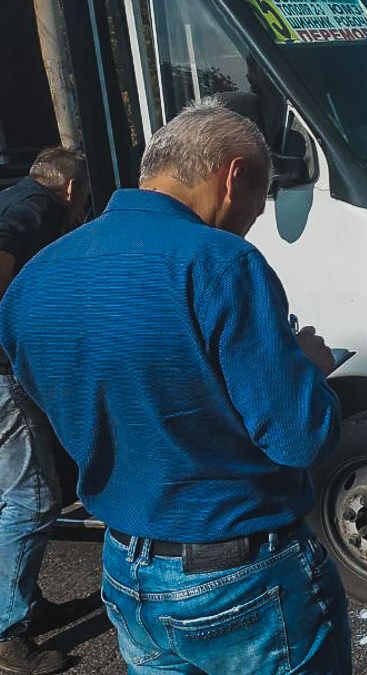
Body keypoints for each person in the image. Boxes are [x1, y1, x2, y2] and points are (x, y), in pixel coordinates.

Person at [0, 99, 352, 673]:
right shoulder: (220, 261)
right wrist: (307, 368)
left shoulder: (32, 281)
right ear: (234, 176)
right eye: (257, 204)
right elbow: (300, 439)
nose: (251, 221)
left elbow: (60, 398)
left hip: (125, 569)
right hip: (242, 570)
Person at [0, 148, 89, 674]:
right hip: (1, 376)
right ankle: (7, 633)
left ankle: (25, 603)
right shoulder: (36, 208)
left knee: (18, 490)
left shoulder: (16, 195)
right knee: (32, 501)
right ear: (73, 190)